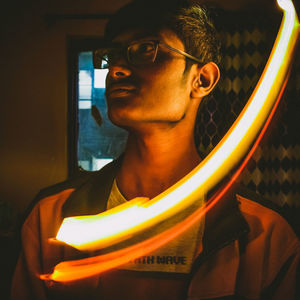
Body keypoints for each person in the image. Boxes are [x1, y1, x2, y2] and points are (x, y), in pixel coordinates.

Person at [11, 0, 300, 299]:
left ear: (202, 79)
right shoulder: (51, 219)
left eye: (147, 50)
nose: (117, 70)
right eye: (112, 56)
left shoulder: (265, 235)